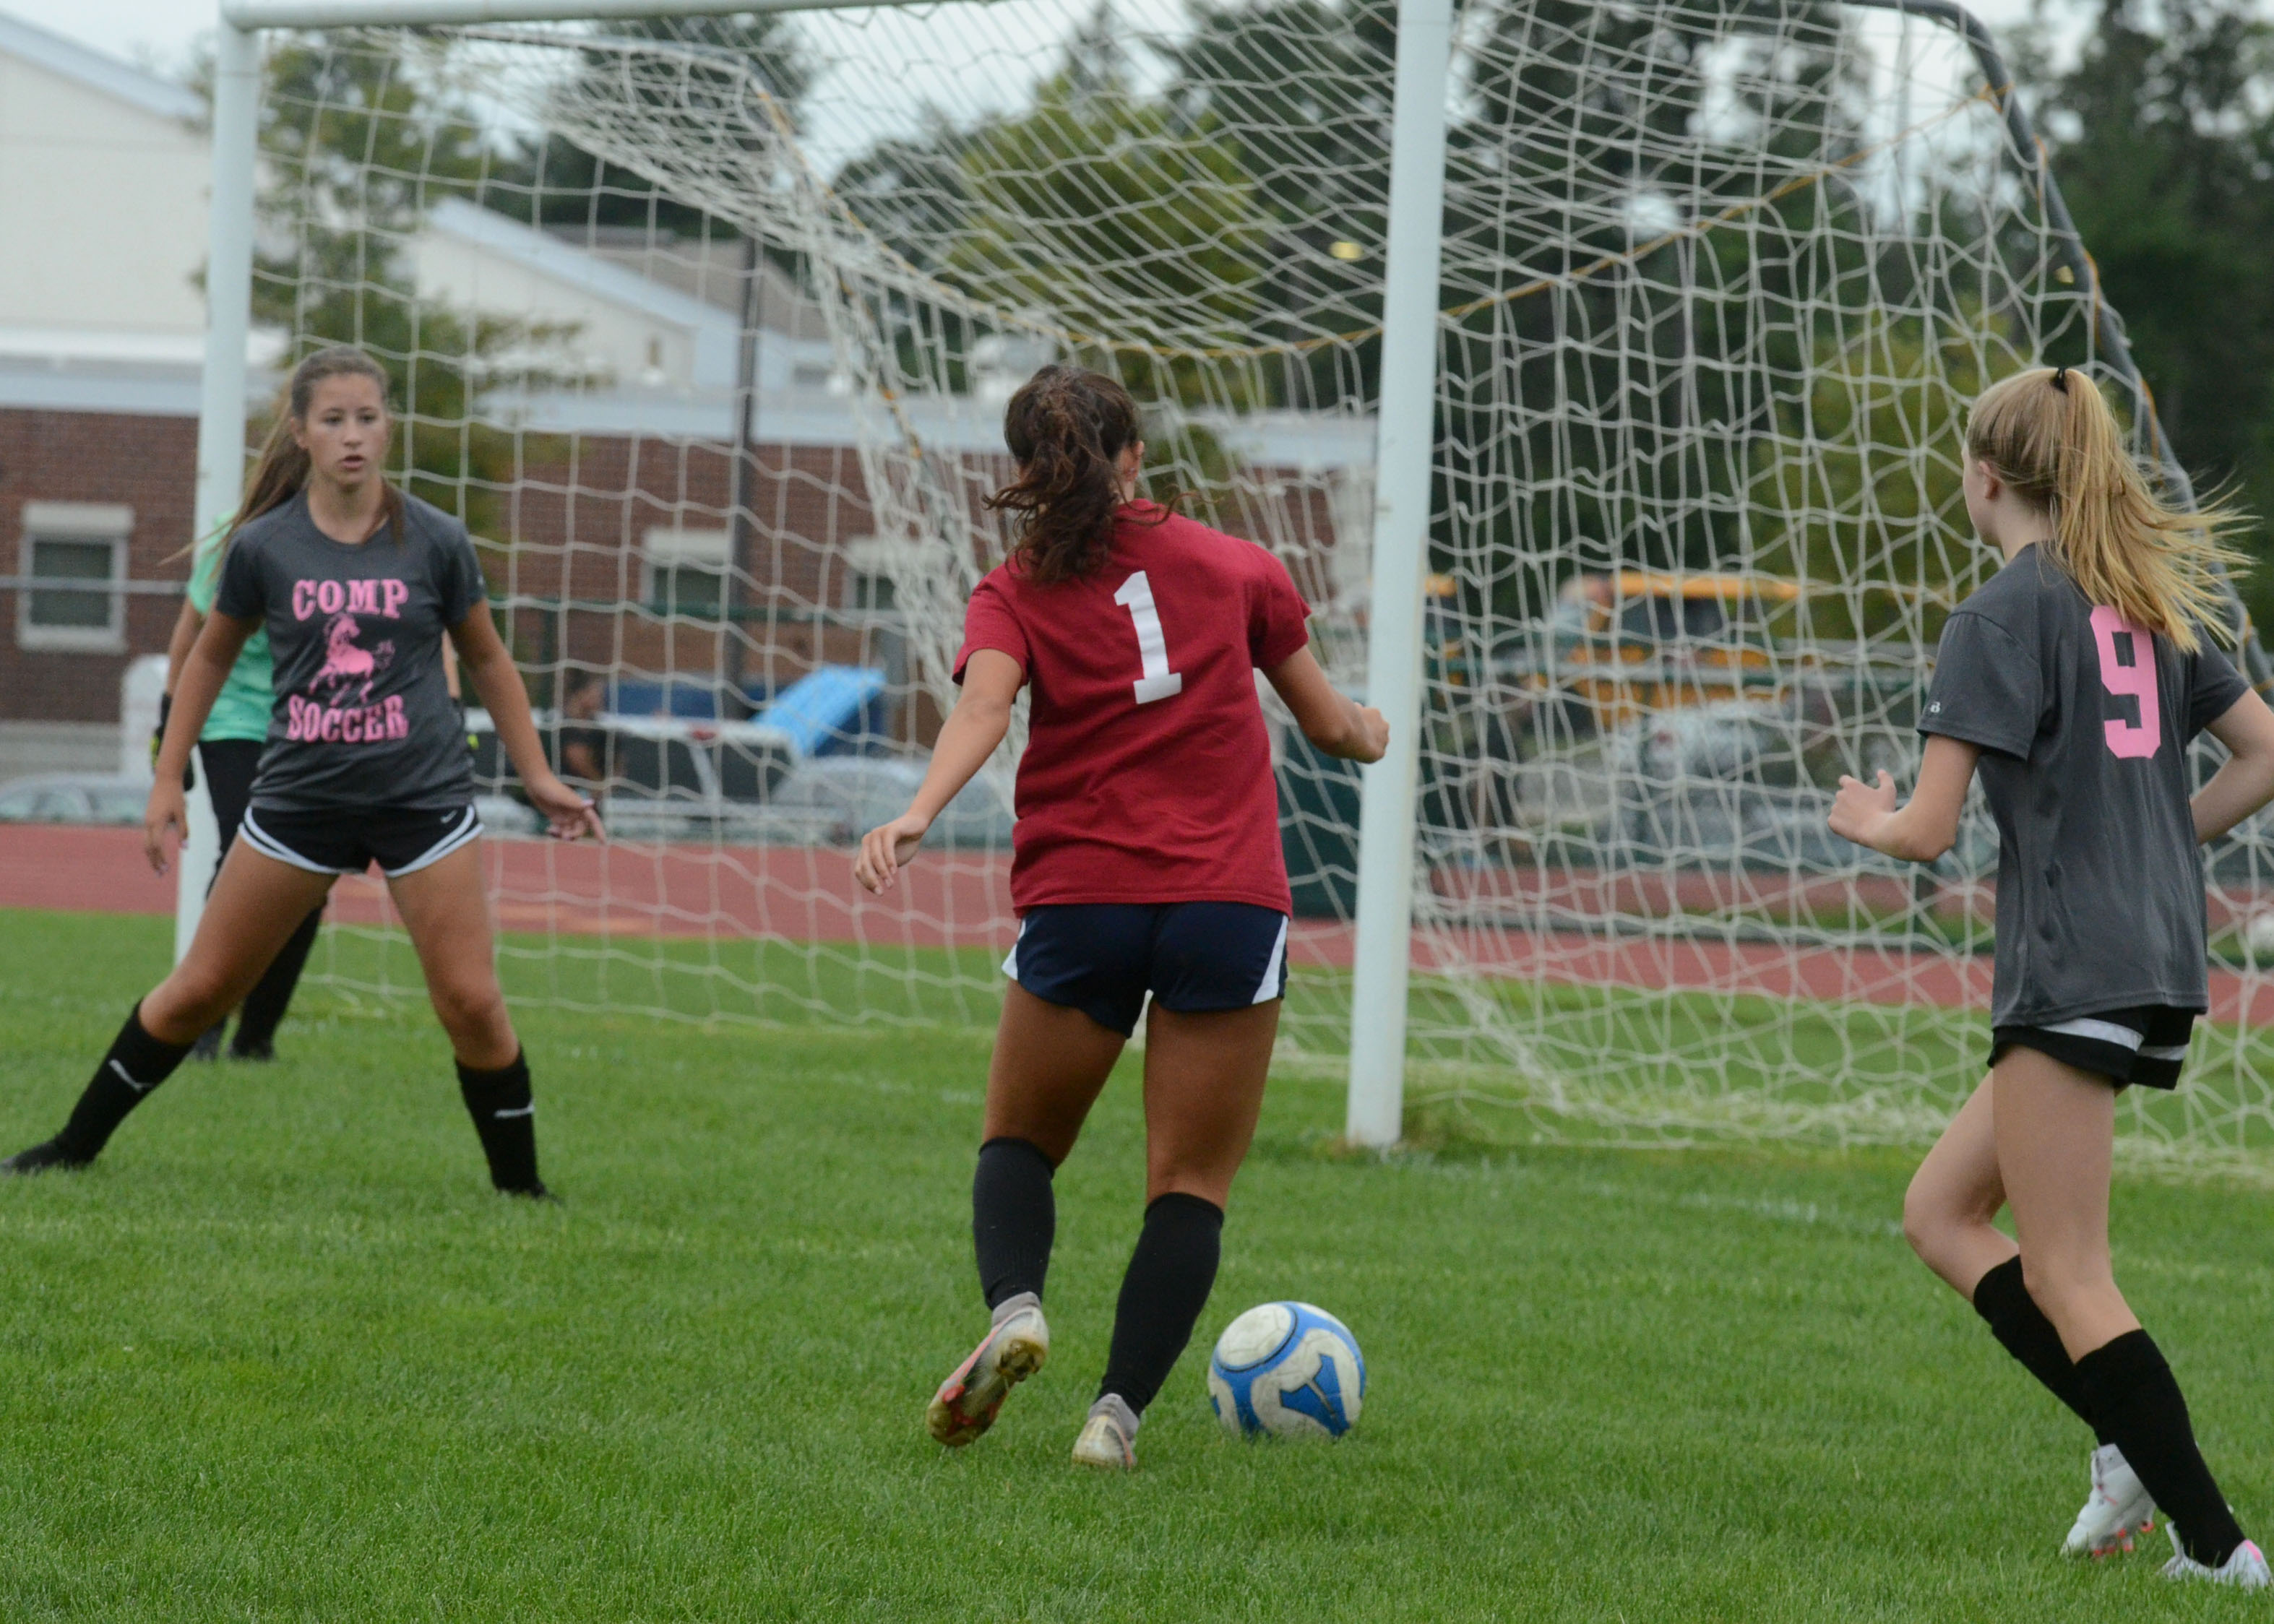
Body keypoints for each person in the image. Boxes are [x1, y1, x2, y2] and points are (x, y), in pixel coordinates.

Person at [855, 365, 1386, 1469]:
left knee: (1019, 1144)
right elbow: (1332, 727)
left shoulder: (1012, 589)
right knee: (1187, 1185)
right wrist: (1375, 732)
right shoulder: (1239, 567)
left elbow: (983, 709)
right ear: (1135, 454)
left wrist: (914, 812)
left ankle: (1015, 1310)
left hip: (1082, 900)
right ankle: (1114, 1419)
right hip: (1224, 906)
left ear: (1026, 475)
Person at [1830, 365, 2274, 1587]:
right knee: (1939, 1211)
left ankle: (2217, 1545)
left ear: (1983, 476)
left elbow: (1925, 831)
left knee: (2069, 1269)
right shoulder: (2146, 594)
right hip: (2151, 950)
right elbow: (2263, 753)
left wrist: (1865, 817)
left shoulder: (1999, 612)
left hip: (2070, 956)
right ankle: (2126, 1441)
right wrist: (2161, 840)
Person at [2, 345, 601, 1194]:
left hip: (421, 800)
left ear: (388, 427)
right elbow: (206, 661)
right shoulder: (263, 547)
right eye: (333, 420)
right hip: (300, 802)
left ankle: (524, 1192)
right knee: (199, 988)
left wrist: (537, 773)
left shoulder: (436, 538)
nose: (353, 435)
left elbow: (490, 659)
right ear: (301, 433)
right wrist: (168, 777)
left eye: (368, 417)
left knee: (471, 1002)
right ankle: (72, 1145)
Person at [156, 524, 324, 1063]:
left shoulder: (355, 537)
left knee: (311, 877)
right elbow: (191, 634)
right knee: (242, 849)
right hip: (232, 719)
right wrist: (169, 732)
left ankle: (257, 1036)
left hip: (311, 723)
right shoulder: (240, 539)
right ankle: (203, 1017)